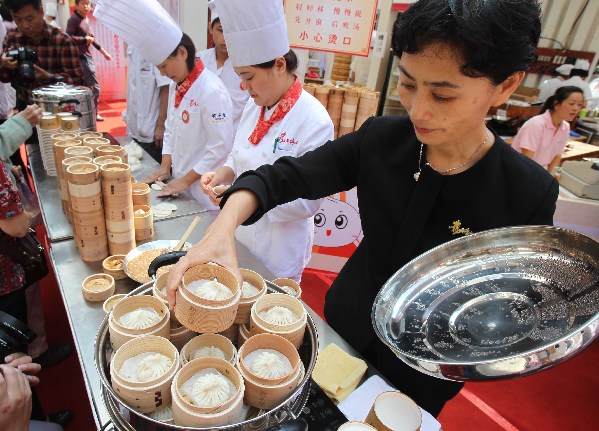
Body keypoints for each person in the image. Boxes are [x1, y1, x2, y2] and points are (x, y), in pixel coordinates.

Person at [166, 0, 558, 417]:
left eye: (442, 94)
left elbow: (519, 306)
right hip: (345, 325)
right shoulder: (383, 139)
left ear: (506, 85)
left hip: (424, 366)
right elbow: (286, 176)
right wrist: (223, 228)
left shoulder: (527, 192)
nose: (418, 111)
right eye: (408, 85)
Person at [198, 0, 333, 281]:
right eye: (240, 78)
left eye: (249, 77)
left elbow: (309, 201)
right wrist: (222, 173)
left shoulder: (314, 121)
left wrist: (240, 193)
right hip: (242, 236)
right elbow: (239, 156)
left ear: (280, 65)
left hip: (279, 250)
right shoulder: (255, 106)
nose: (244, 88)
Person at [0, 0, 83, 111]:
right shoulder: (12, 37)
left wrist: (49, 77)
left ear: (41, 12)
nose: (24, 25)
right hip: (27, 109)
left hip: (59, 109)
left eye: (29, 19)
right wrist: (4, 64)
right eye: (17, 19)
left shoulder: (61, 40)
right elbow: (4, 78)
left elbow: (77, 81)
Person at [197, 0, 248, 132]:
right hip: (202, 140)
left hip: (235, 140)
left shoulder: (247, 65)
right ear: (210, 28)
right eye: (220, 30)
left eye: (230, 31)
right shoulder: (198, 61)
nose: (225, 38)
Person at [512, 86, 584, 172]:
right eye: (572, 103)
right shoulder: (536, 124)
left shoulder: (565, 127)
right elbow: (526, 160)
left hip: (540, 174)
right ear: (556, 104)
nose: (576, 108)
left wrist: (550, 179)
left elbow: (556, 157)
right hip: (520, 171)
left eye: (579, 105)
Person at [66, 0, 111, 122]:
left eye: (88, 4)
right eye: (83, 3)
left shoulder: (85, 19)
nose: (87, 6)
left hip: (87, 56)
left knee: (87, 87)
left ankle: (88, 113)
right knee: (94, 88)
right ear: (77, 4)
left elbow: (92, 39)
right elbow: (68, 37)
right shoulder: (74, 19)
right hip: (80, 58)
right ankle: (93, 113)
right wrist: (84, 39)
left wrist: (104, 52)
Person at [124, 46, 170, 163]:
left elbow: (166, 87)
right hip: (134, 127)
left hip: (152, 131)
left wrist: (161, 125)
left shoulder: (155, 47)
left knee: (151, 171)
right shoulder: (132, 45)